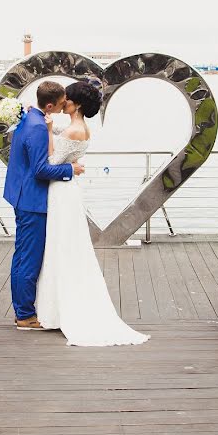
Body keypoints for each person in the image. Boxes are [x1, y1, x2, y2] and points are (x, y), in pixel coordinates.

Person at [35, 79, 149, 346]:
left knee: (60, 246)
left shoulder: (74, 131)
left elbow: (51, 162)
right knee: (65, 245)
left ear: (77, 104)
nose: (64, 102)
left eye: (68, 100)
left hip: (61, 192)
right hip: (68, 190)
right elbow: (60, 141)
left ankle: (57, 311)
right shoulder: (79, 127)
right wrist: (52, 129)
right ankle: (56, 308)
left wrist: (49, 134)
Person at [3, 81, 85, 330]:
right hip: (32, 201)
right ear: (49, 104)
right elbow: (40, 170)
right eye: (61, 104)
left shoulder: (29, 116)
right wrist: (70, 169)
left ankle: (22, 310)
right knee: (29, 259)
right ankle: (25, 315)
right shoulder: (38, 127)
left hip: (20, 194)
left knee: (21, 256)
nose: (63, 107)